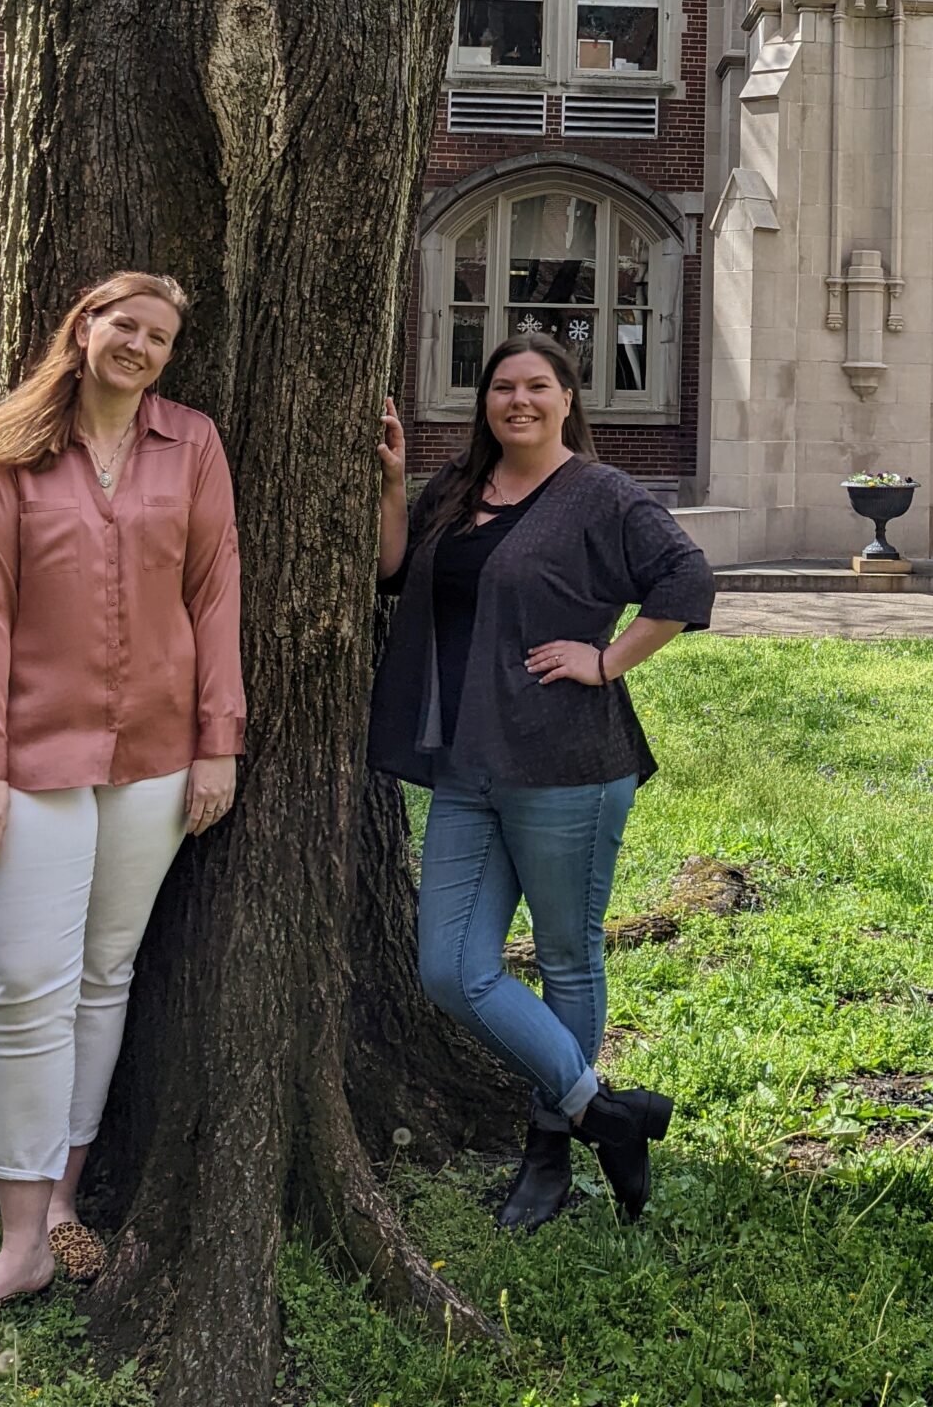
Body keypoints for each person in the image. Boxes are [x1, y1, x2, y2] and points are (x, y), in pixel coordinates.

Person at [0, 272, 244, 1348]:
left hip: (155, 756)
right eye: (122, 324)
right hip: (33, 755)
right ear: (83, 328)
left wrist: (216, 741)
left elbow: (214, 589)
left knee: (105, 976)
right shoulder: (7, 453)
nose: (138, 344)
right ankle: (18, 1247)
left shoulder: (189, 445)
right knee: (25, 988)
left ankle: (63, 1203)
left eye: (158, 334)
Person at [371, 333, 715, 1232]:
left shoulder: (600, 494)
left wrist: (606, 661)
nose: (516, 401)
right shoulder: (456, 488)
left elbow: (687, 577)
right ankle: (605, 1113)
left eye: (536, 386)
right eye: (500, 387)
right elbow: (394, 573)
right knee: (450, 969)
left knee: (566, 956)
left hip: (567, 764)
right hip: (465, 766)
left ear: (567, 398)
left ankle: (548, 1152)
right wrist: (390, 482)